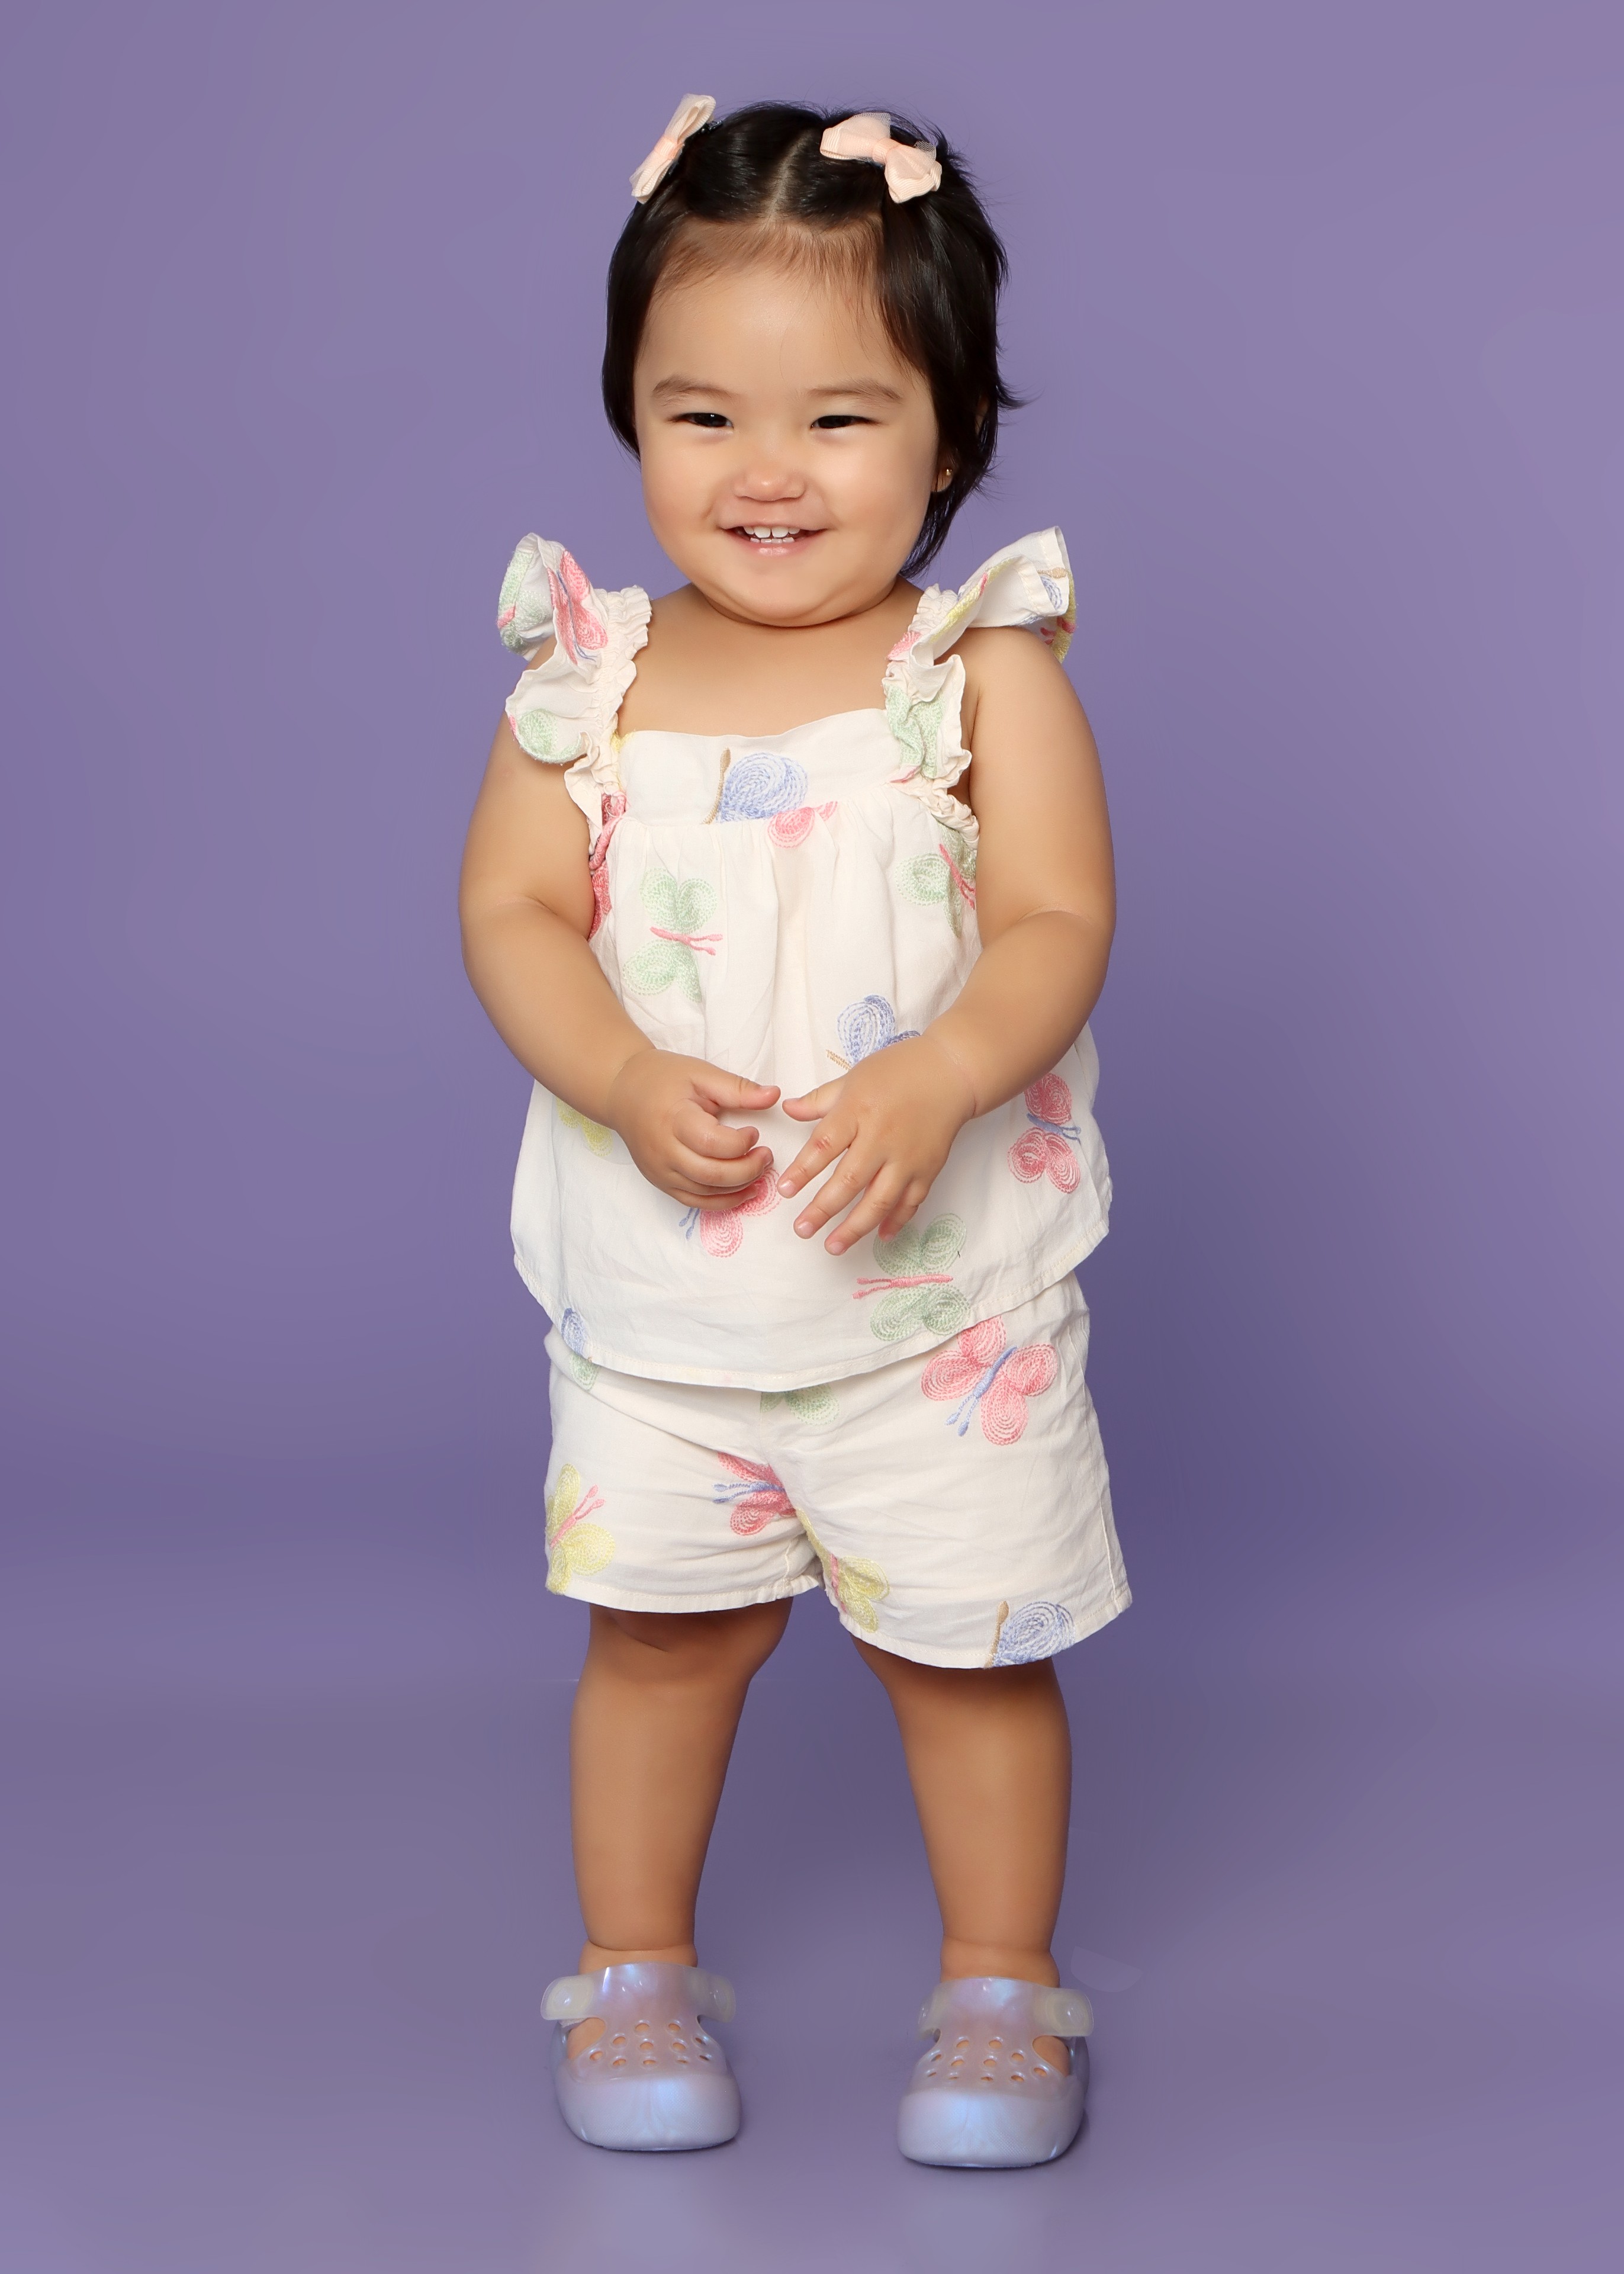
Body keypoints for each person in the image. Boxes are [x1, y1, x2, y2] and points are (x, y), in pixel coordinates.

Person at [459, 96, 1128, 2169]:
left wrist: (942, 1069)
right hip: (671, 1310)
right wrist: (615, 1071)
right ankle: (634, 1970)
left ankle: (1001, 1990)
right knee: (660, 1649)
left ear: (953, 431)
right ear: (630, 415)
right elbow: (511, 912)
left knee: (970, 1661)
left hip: (941, 1314)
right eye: (703, 417)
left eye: (839, 419)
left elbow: (1057, 919)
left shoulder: (973, 670)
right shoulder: (588, 678)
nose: (768, 473)